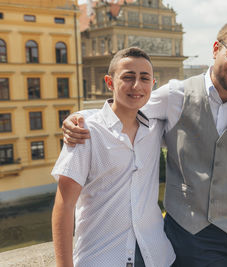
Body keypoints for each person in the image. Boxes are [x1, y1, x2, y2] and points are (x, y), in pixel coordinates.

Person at [63, 18, 227, 266]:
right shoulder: (175, 95)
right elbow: (128, 106)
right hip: (189, 234)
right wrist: (83, 118)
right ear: (216, 49)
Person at [51, 47, 175, 267]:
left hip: (156, 256)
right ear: (109, 82)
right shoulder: (85, 131)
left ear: (152, 84)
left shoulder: (155, 126)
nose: (137, 86)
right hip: (102, 258)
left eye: (144, 79)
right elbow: (64, 205)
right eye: (128, 77)